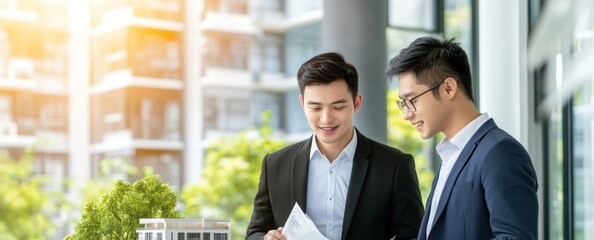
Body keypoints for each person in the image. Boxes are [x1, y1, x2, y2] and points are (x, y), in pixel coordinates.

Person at [246, 52, 424, 240]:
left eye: (338, 107)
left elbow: (413, 235)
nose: (326, 118)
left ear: (356, 102)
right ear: (302, 104)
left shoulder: (394, 166)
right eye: (315, 108)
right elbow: (254, 232)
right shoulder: (275, 165)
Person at [387, 36, 538, 240]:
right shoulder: (451, 155)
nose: (407, 114)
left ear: (448, 88)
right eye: (403, 104)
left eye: (412, 100)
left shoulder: (499, 152)